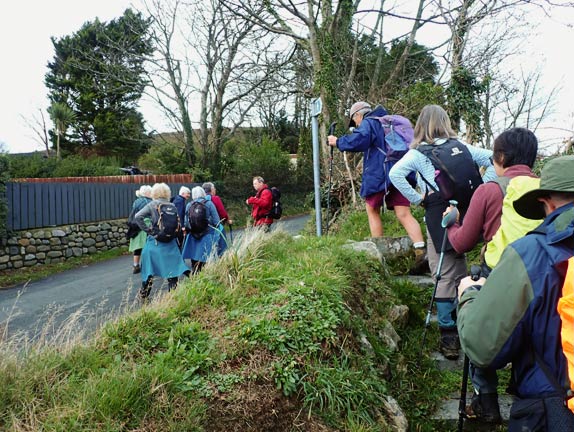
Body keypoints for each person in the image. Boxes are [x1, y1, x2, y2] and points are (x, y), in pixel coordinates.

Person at [457, 155, 574, 431]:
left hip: (553, 414)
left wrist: (470, 295)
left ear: (547, 203)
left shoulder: (530, 255)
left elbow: (483, 347)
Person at [442, 128, 540, 423]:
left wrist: (451, 224)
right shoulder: (549, 190)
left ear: (499, 157)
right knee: (533, 328)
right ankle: (523, 386)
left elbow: (462, 242)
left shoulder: (489, 189)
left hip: (496, 273)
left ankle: (486, 403)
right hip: (539, 271)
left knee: (479, 329)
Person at [389, 104, 494, 360]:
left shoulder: (418, 154)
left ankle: (449, 337)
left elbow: (395, 174)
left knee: (443, 272)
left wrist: (417, 198)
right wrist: (485, 187)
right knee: (459, 265)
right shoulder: (463, 147)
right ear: (445, 122)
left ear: (420, 125)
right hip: (468, 214)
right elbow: (493, 158)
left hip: (439, 216)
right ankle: (466, 321)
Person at [327, 101, 426, 264]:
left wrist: (337, 142)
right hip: (403, 171)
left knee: (372, 209)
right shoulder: (390, 121)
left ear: (358, 115)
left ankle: (377, 253)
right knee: (404, 213)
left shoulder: (370, 122)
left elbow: (358, 141)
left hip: (380, 173)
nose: (356, 125)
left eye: (354, 121)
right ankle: (420, 250)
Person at [134, 183, 190, 300]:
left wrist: (149, 231)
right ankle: (172, 298)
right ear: (167, 193)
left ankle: (144, 295)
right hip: (170, 243)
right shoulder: (172, 206)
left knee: (149, 270)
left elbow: (138, 216)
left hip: (155, 242)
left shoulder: (152, 205)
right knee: (173, 271)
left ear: (154, 193)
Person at [182, 186, 222, 274]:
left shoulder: (189, 205)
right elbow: (217, 221)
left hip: (193, 237)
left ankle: (195, 282)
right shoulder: (209, 204)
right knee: (207, 261)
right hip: (207, 236)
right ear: (203, 193)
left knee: (195, 265)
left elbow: (186, 223)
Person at [128, 184, 152, 274]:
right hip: (146, 226)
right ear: (147, 193)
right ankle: (147, 266)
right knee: (148, 246)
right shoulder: (150, 201)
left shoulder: (136, 202)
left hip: (136, 226)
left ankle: (135, 265)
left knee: (138, 248)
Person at [203, 182, 231, 254]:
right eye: (214, 188)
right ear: (212, 190)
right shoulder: (215, 198)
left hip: (204, 227)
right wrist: (227, 220)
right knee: (222, 246)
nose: (215, 190)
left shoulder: (201, 200)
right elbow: (222, 212)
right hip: (216, 225)